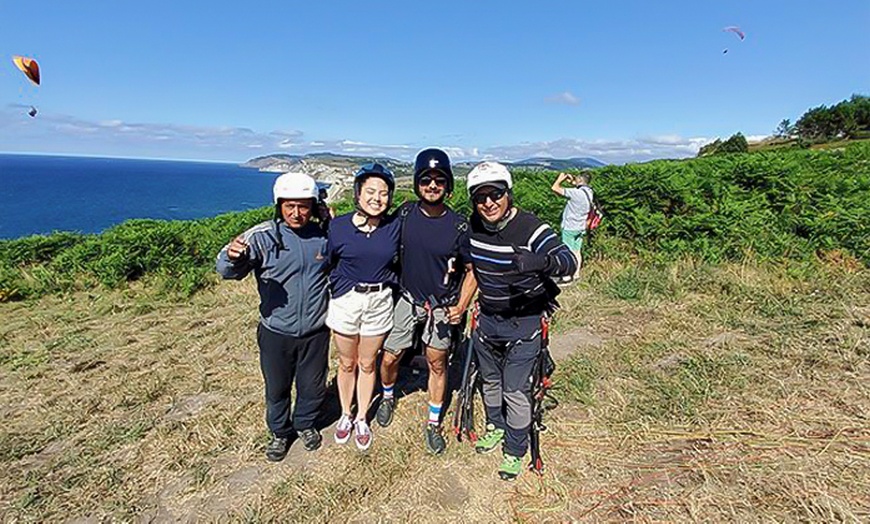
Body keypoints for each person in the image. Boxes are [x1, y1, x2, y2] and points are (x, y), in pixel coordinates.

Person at [466, 161, 577, 481]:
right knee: (490, 383)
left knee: (515, 390)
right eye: (480, 197)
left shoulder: (531, 228)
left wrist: (542, 261)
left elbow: (569, 260)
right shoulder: (473, 226)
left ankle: (515, 449)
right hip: (487, 321)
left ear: (508, 194)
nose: (488, 202)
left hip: (524, 324)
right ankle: (496, 427)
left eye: (495, 194)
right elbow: (463, 258)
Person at [216, 171, 330, 461]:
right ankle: (280, 433)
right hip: (276, 330)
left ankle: (305, 424)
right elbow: (228, 272)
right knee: (277, 387)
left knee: (312, 385)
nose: (296, 213)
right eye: (289, 206)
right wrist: (232, 257)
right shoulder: (263, 236)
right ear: (279, 205)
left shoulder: (322, 236)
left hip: (316, 330)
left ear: (313, 206)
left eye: (303, 206)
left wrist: (329, 220)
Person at [376, 148, 478, 455]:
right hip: (407, 297)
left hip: (442, 303)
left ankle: (433, 422)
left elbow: (472, 271)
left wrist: (460, 306)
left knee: (437, 362)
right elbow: (376, 232)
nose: (432, 185)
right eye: (426, 180)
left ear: (448, 186)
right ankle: (387, 395)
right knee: (391, 355)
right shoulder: (405, 215)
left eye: (438, 180)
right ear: (417, 184)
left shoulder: (460, 225)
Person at [326, 162, 401, 451]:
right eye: (370, 191)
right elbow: (329, 261)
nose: (377, 198)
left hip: (379, 300)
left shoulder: (394, 226)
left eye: (383, 193)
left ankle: (361, 417)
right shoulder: (338, 226)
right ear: (358, 194)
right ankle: (345, 413)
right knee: (347, 362)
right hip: (346, 300)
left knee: (368, 363)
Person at [551, 170, 594, 282]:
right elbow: (579, 188)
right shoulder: (589, 192)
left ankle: (566, 276)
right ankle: (576, 274)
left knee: (567, 253)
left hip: (570, 226)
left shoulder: (576, 193)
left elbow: (555, 188)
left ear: (580, 180)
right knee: (576, 251)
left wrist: (560, 179)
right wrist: (573, 181)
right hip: (581, 227)